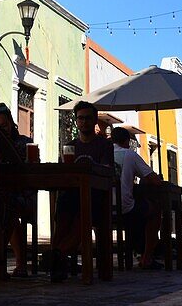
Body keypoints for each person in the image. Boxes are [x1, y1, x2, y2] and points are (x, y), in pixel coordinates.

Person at [49, 100, 114, 282]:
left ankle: (57, 256)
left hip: (96, 196)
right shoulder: (70, 145)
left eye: (87, 118)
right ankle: (59, 258)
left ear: (94, 121)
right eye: (80, 118)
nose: (83, 121)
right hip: (72, 194)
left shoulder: (104, 145)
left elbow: (107, 170)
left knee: (82, 215)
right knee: (62, 213)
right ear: (76, 121)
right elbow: (64, 172)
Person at [111, 127, 163, 269]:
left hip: (101, 208)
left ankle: (135, 246)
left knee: (139, 210)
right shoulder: (129, 155)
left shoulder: (103, 154)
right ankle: (146, 258)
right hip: (125, 208)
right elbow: (155, 181)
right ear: (127, 141)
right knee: (154, 210)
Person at [0, 102, 34, 276]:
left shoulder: (23, 143)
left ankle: (15, 262)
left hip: (20, 191)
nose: (2, 130)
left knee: (8, 208)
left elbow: (26, 168)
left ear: (11, 123)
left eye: (4, 125)